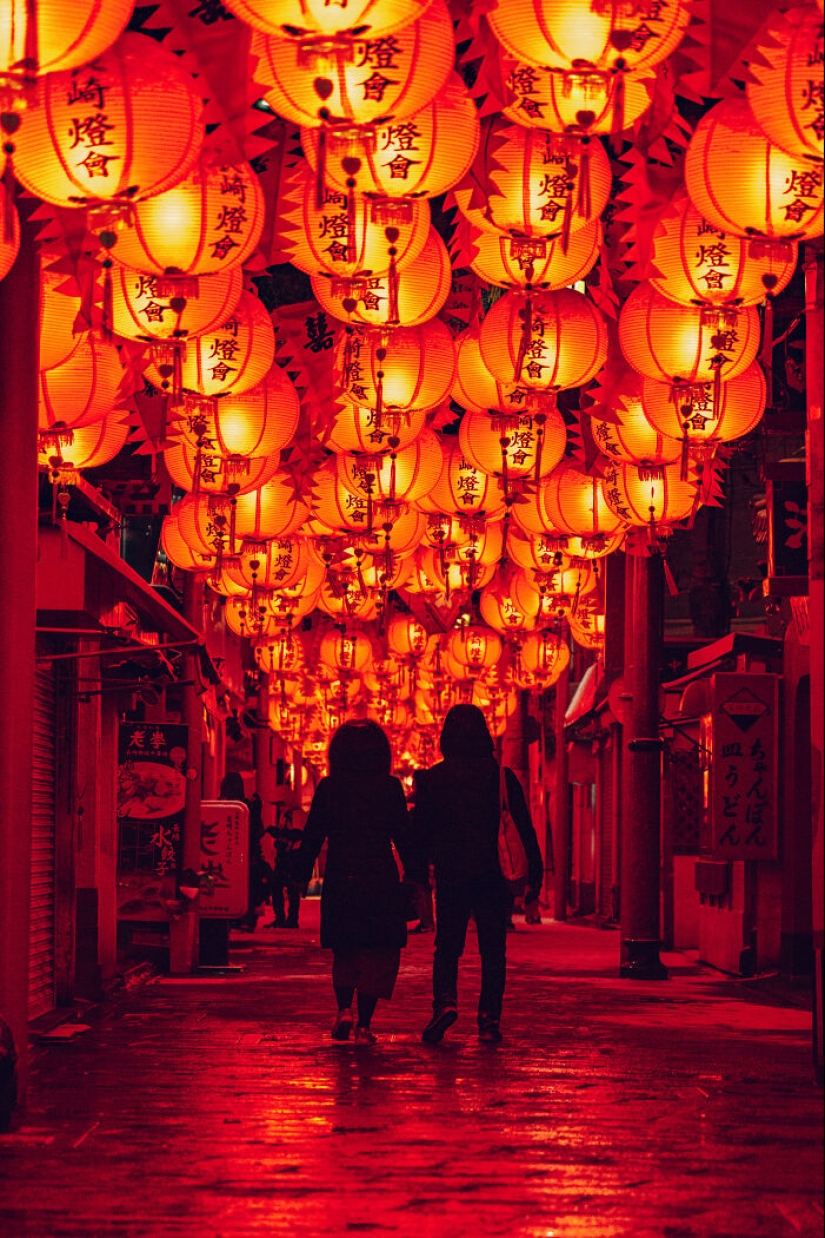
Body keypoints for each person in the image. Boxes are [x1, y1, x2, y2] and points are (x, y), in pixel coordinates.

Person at [411, 704, 543, 1045]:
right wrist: (535, 876)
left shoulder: (434, 779)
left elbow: (420, 831)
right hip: (492, 875)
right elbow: (523, 829)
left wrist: (417, 875)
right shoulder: (500, 777)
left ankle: (445, 1003)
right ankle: (489, 1018)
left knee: (447, 946)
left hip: (452, 872)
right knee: (493, 949)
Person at [291, 720, 413, 1046]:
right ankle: (364, 1025)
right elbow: (403, 835)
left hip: (341, 875)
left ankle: (343, 1009)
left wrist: (300, 875)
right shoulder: (389, 788)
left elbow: (313, 835)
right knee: (374, 951)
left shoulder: (330, 788)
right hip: (379, 877)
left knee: (345, 949)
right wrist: (415, 875)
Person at [220, 772, 269, 934]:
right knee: (247, 889)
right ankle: (246, 919)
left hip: (225, 856)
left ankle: (228, 919)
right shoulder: (247, 806)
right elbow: (258, 832)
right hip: (248, 856)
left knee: (226, 887)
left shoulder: (219, 805)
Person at [268, 805, 305, 928]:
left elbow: (298, 833)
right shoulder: (285, 815)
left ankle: (292, 919)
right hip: (284, 855)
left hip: (293, 854)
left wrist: (281, 833)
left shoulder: (296, 813)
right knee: (276, 886)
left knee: (291, 888)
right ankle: (281, 918)